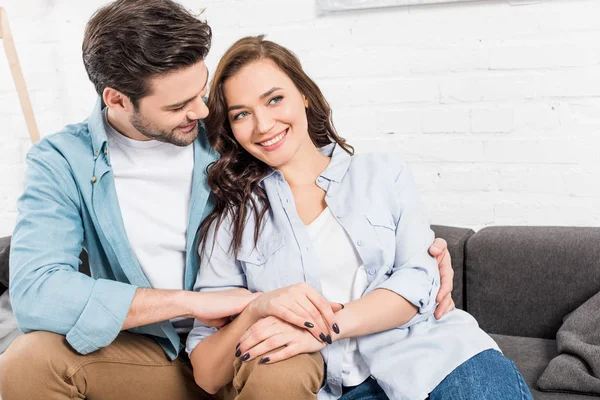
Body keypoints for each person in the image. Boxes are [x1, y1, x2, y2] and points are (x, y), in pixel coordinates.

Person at [0, 1, 454, 399]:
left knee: (283, 363)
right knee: (27, 360)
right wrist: (189, 303)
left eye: (200, 92)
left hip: (248, 343)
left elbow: (337, 193)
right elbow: (37, 292)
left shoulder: (232, 134)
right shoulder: (62, 160)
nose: (200, 112)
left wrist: (422, 254)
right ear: (116, 100)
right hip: (148, 354)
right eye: (179, 106)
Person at [186, 35, 534, 400]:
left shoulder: (384, 174)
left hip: (437, 358)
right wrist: (257, 309)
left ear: (303, 94)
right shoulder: (233, 219)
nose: (262, 125)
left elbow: (416, 284)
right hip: (327, 386)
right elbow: (208, 373)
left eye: (274, 99)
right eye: (242, 114)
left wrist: (321, 329)